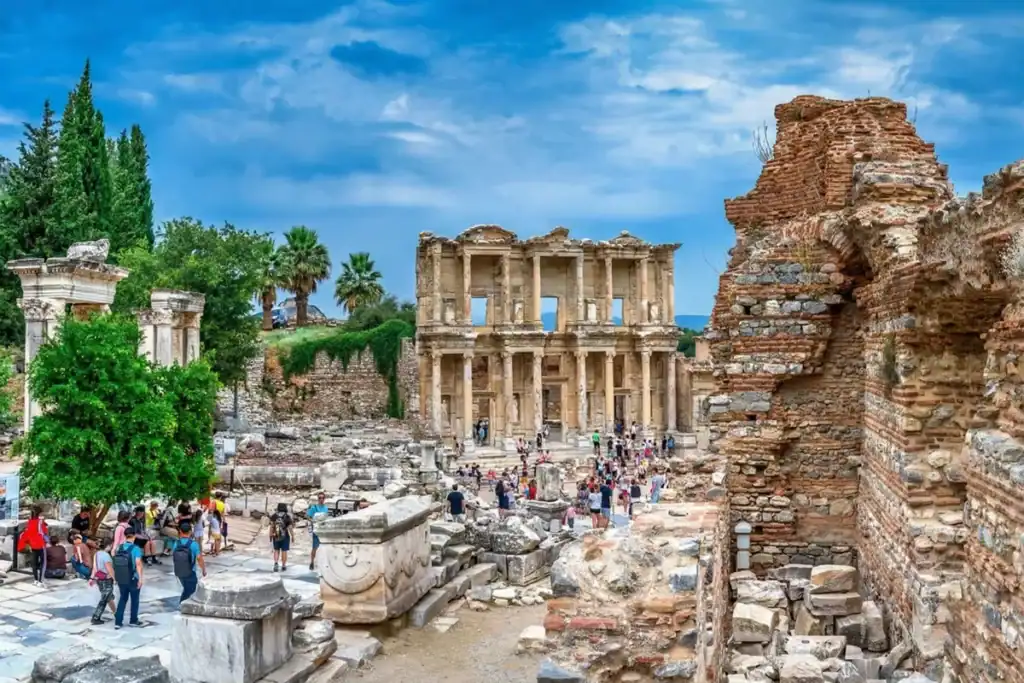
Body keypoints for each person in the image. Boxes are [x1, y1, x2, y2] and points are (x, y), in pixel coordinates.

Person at [112, 526, 144, 629]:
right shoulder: (136, 549)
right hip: (132, 578)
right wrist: (140, 578)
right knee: (134, 599)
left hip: (121, 577)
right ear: (134, 536)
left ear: (125, 536)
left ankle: (118, 622)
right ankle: (133, 620)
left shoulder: (119, 548)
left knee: (122, 598)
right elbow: (138, 564)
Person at [172, 520, 206, 605]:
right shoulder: (193, 544)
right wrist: (204, 570)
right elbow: (199, 559)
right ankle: (182, 605)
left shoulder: (176, 543)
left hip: (179, 572)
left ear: (180, 531)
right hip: (190, 572)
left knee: (187, 589)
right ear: (190, 532)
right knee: (191, 591)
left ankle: (182, 605)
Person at [18, 505, 48, 586]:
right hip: (41, 545)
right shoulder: (41, 522)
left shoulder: (30, 522)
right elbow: (44, 532)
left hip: (33, 545)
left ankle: (35, 580)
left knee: (34, 564)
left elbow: (27, 534)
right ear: (40, 513)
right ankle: (41, 581)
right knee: (43, 563)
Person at [90, 539, 116, 625]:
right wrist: (115, 579)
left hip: (99, 578)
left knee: (108, 597)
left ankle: (116, 613)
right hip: (106, 579)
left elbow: (94, 567)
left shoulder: (96, 554)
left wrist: (92, 578)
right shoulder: (106, 556)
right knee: (104, 599)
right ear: (108, 546)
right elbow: (109, 569)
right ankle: (96, 617)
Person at [307, 492, 330, 570]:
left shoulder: (326, 508)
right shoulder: (314, 508)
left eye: (322, 498)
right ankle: (312, 562)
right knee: (315, 547)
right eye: (319, 498)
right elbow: (308, 516)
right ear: (318, 499)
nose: (321, 499)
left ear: (324, 499)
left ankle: (323, 563)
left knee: (324, 547)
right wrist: (313, 521)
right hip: (316, 530)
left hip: (323, 529)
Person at [269, 502, 293, 572]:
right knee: (284, 551)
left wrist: (270, 535)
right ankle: (283, 565)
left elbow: (272, 526)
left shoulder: (274, 516)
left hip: (276, 536)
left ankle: (276, 563)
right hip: (285, 536)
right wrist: (293, 536)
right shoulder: (287, 516)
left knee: (276, 550)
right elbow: (290, 528)